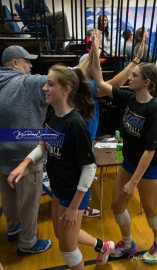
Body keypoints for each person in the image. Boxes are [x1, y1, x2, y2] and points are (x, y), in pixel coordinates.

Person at [7, 64, 115, 269]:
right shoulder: (51, 114)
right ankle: (103, 246)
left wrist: (74, 207)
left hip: (73, 193)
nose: (44, 88)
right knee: (60, 234)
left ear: (65, 90)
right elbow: (44, 143)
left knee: (67, 248)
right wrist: (24, 164)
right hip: (59, 188)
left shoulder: (75, 123)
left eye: (50, 84)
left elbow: (89, 168)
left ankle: (100, 248)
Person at [0, 44, 93, 256]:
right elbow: (70, 74)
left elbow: (88, 167)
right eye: (27, 61)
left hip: (4, 151)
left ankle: (13, 226)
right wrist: (92, 55)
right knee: (30, 203)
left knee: (9, 197)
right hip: (26, 151)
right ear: (15, 63)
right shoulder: (27, 83)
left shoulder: (74, 124)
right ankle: (28, 242)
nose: (31, 65)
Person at [91, 30, 157, 265]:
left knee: (150, 209)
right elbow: (98, 81)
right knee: (117, 204)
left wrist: (133, 182)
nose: (129, 78)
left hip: (150, 168)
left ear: (146, 82)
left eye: (133, 75)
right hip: (129, 161)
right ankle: (127, 244)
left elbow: (150, 151)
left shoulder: (154, 110)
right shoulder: (128, 98)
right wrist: (95, 51)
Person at [79, 53, 100, 218]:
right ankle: (83, 206)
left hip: (85, 135)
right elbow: (113, 85)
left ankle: (83, 203)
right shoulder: (90, 85)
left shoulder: (79, 84)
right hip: (84, 137)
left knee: (84, 169)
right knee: (85, 170)